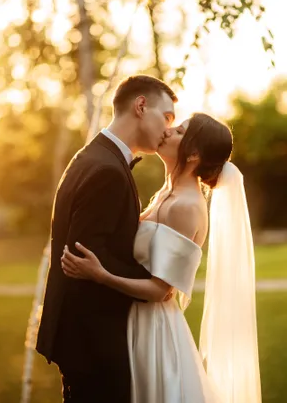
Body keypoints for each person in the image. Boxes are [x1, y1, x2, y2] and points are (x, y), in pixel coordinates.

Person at [62, 113, 262, 403]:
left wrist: (99, 274)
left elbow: (160, 290)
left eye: (179, 131)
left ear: (193, 153)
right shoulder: (166, 193)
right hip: (132, 319)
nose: (168, 132)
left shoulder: (186, 206)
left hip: (152, 331)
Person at [36, 75, 177, 403]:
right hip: (93, 343)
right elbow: (86, 260)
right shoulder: (107, 171)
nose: (169, 129)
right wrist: (158, 284)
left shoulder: (93, 157)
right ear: (141, 106)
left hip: (81, 338)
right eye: (167, 117)